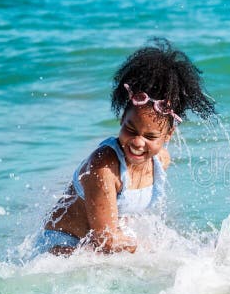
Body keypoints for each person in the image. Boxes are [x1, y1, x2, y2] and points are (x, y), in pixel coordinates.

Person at [35, 38, 215, 255]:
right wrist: (154, 249)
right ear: (121, 119)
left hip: (92, 248)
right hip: (62, 249)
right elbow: (107, 241)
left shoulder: (160, 161)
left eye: (150, 136)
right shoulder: (103, 167)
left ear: (168, 135)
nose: (138, 142)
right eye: (131, 130)